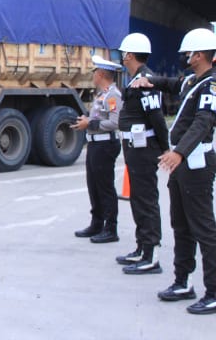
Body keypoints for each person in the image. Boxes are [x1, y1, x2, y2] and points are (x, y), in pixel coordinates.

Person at [131, 28, 216, 315]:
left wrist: (179, 152)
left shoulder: (211, 86)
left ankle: (213, 292)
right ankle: (183, 281)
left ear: (199, 55)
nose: (184, 58)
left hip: (195, 164)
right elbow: (171, 84)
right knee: (180, 225)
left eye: (187, 54)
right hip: (182, 167)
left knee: (203, 228)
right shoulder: (193, 81)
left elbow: (203, 122)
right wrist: (149, 81)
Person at [116, 33, 169, 274]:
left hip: (144, 150)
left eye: (122, 54)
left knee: (146, 200)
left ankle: (151, 255)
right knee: (138, 199)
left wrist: (165, 148)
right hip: (134, 148)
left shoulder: (145, 81)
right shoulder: (136, 79)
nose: (121, 58)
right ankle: (142, 247)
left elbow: (157, 118)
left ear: (129, 55)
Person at [72, 55, 123, 243]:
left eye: (95, 71)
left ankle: (111, 228)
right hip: (95, 144)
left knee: (105, 187)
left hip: (105, 145)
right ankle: (96, 223)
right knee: (93, 185)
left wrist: (89, 124)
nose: (93, 74)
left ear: (101, 74)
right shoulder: (102, 94)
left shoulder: (112, 95)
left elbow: (114, 122)